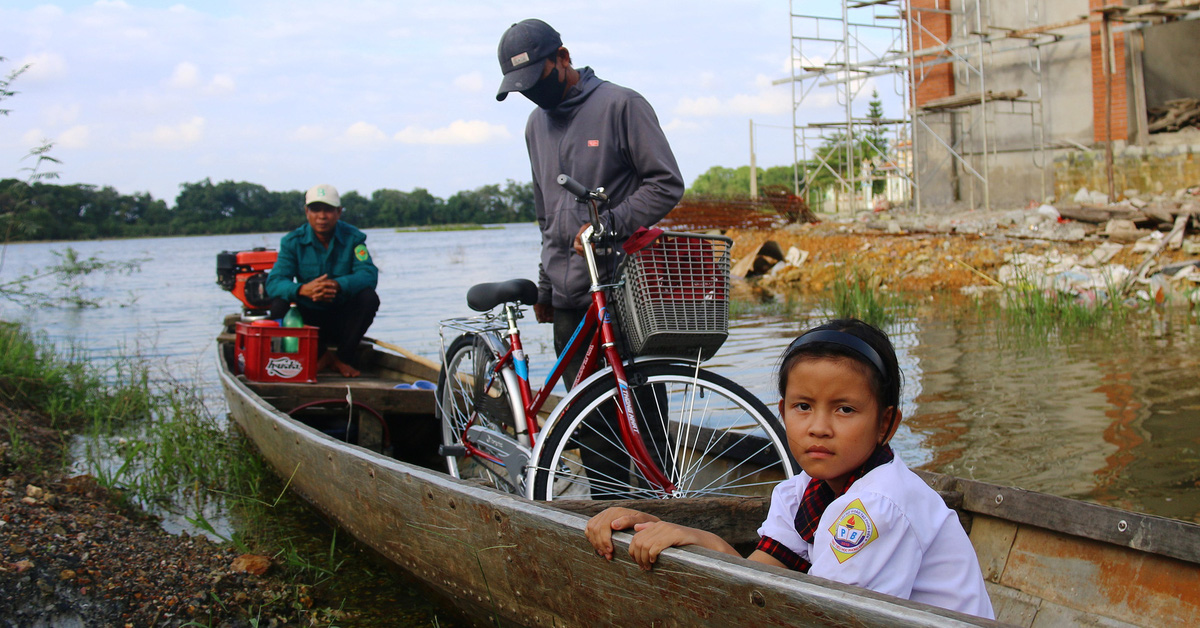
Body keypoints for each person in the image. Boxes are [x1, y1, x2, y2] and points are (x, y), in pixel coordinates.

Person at [584, 319, 995, 619]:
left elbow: (823, 614)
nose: (819, 427)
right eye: (803, 406)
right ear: (782, 413)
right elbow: (759, 576)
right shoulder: (802, 492)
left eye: (845, 409)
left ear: (886, 424)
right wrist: (677, 531)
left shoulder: (875, 505)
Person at [496, 18, 685, 497]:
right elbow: (548, 216)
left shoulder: (622, 105)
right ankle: (606, 517)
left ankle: (659, 511)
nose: (534, 95)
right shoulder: (535, 124)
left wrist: (610, 223)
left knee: (641, 413)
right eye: (522, 90)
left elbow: (666, 183)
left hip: (621, 292)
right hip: (568, 298)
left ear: (563, 57)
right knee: (589, 421)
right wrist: (544, 285)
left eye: (537, 82)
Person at [266, 183, 380, 378]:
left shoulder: (354, 239)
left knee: (369, 297)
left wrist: (338, 285)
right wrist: (302, 290)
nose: (322, 216)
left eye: (328, 210)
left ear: (339, 212)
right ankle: (323, 355)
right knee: (278, 305)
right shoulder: (293, 242)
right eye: (315, 209)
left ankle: (343, 358)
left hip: (342, 319)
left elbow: (368, 274)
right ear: (306, 212)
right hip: (309, 319)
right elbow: (274, 282)